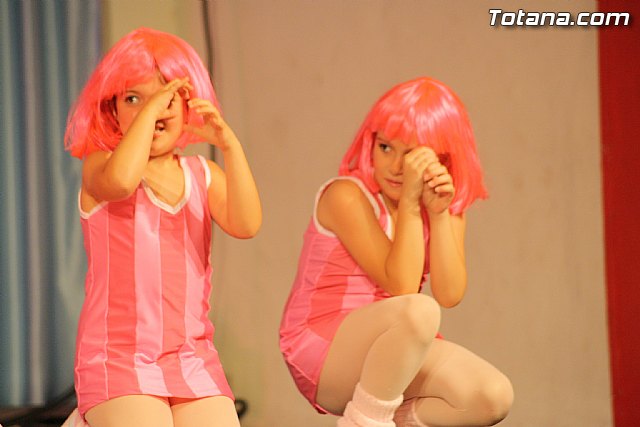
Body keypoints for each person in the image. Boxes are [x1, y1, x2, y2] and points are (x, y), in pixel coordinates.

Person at [279, 77, 513, 427]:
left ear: (444, 159)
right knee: (419, 310)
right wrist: (411, 204)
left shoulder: (445, 206)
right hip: (323, 347)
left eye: (412, 155)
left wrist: (439, 214)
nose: (395, 166)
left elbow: (450, 294)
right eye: (385, 147)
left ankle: (372, 418)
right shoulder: (346, 196)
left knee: (491, 395)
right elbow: (402, 286)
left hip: (398, 345)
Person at [62, 27, 261, 427]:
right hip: (117, 357)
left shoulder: (202, 174)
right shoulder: (101, 164)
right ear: (112, 111)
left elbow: (247, 223)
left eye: (167, 95)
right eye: (133, 98)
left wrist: (230, 146)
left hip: (191, 357)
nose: (154, 109)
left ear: (188, 104)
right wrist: (150, 112)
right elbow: (121, 182)